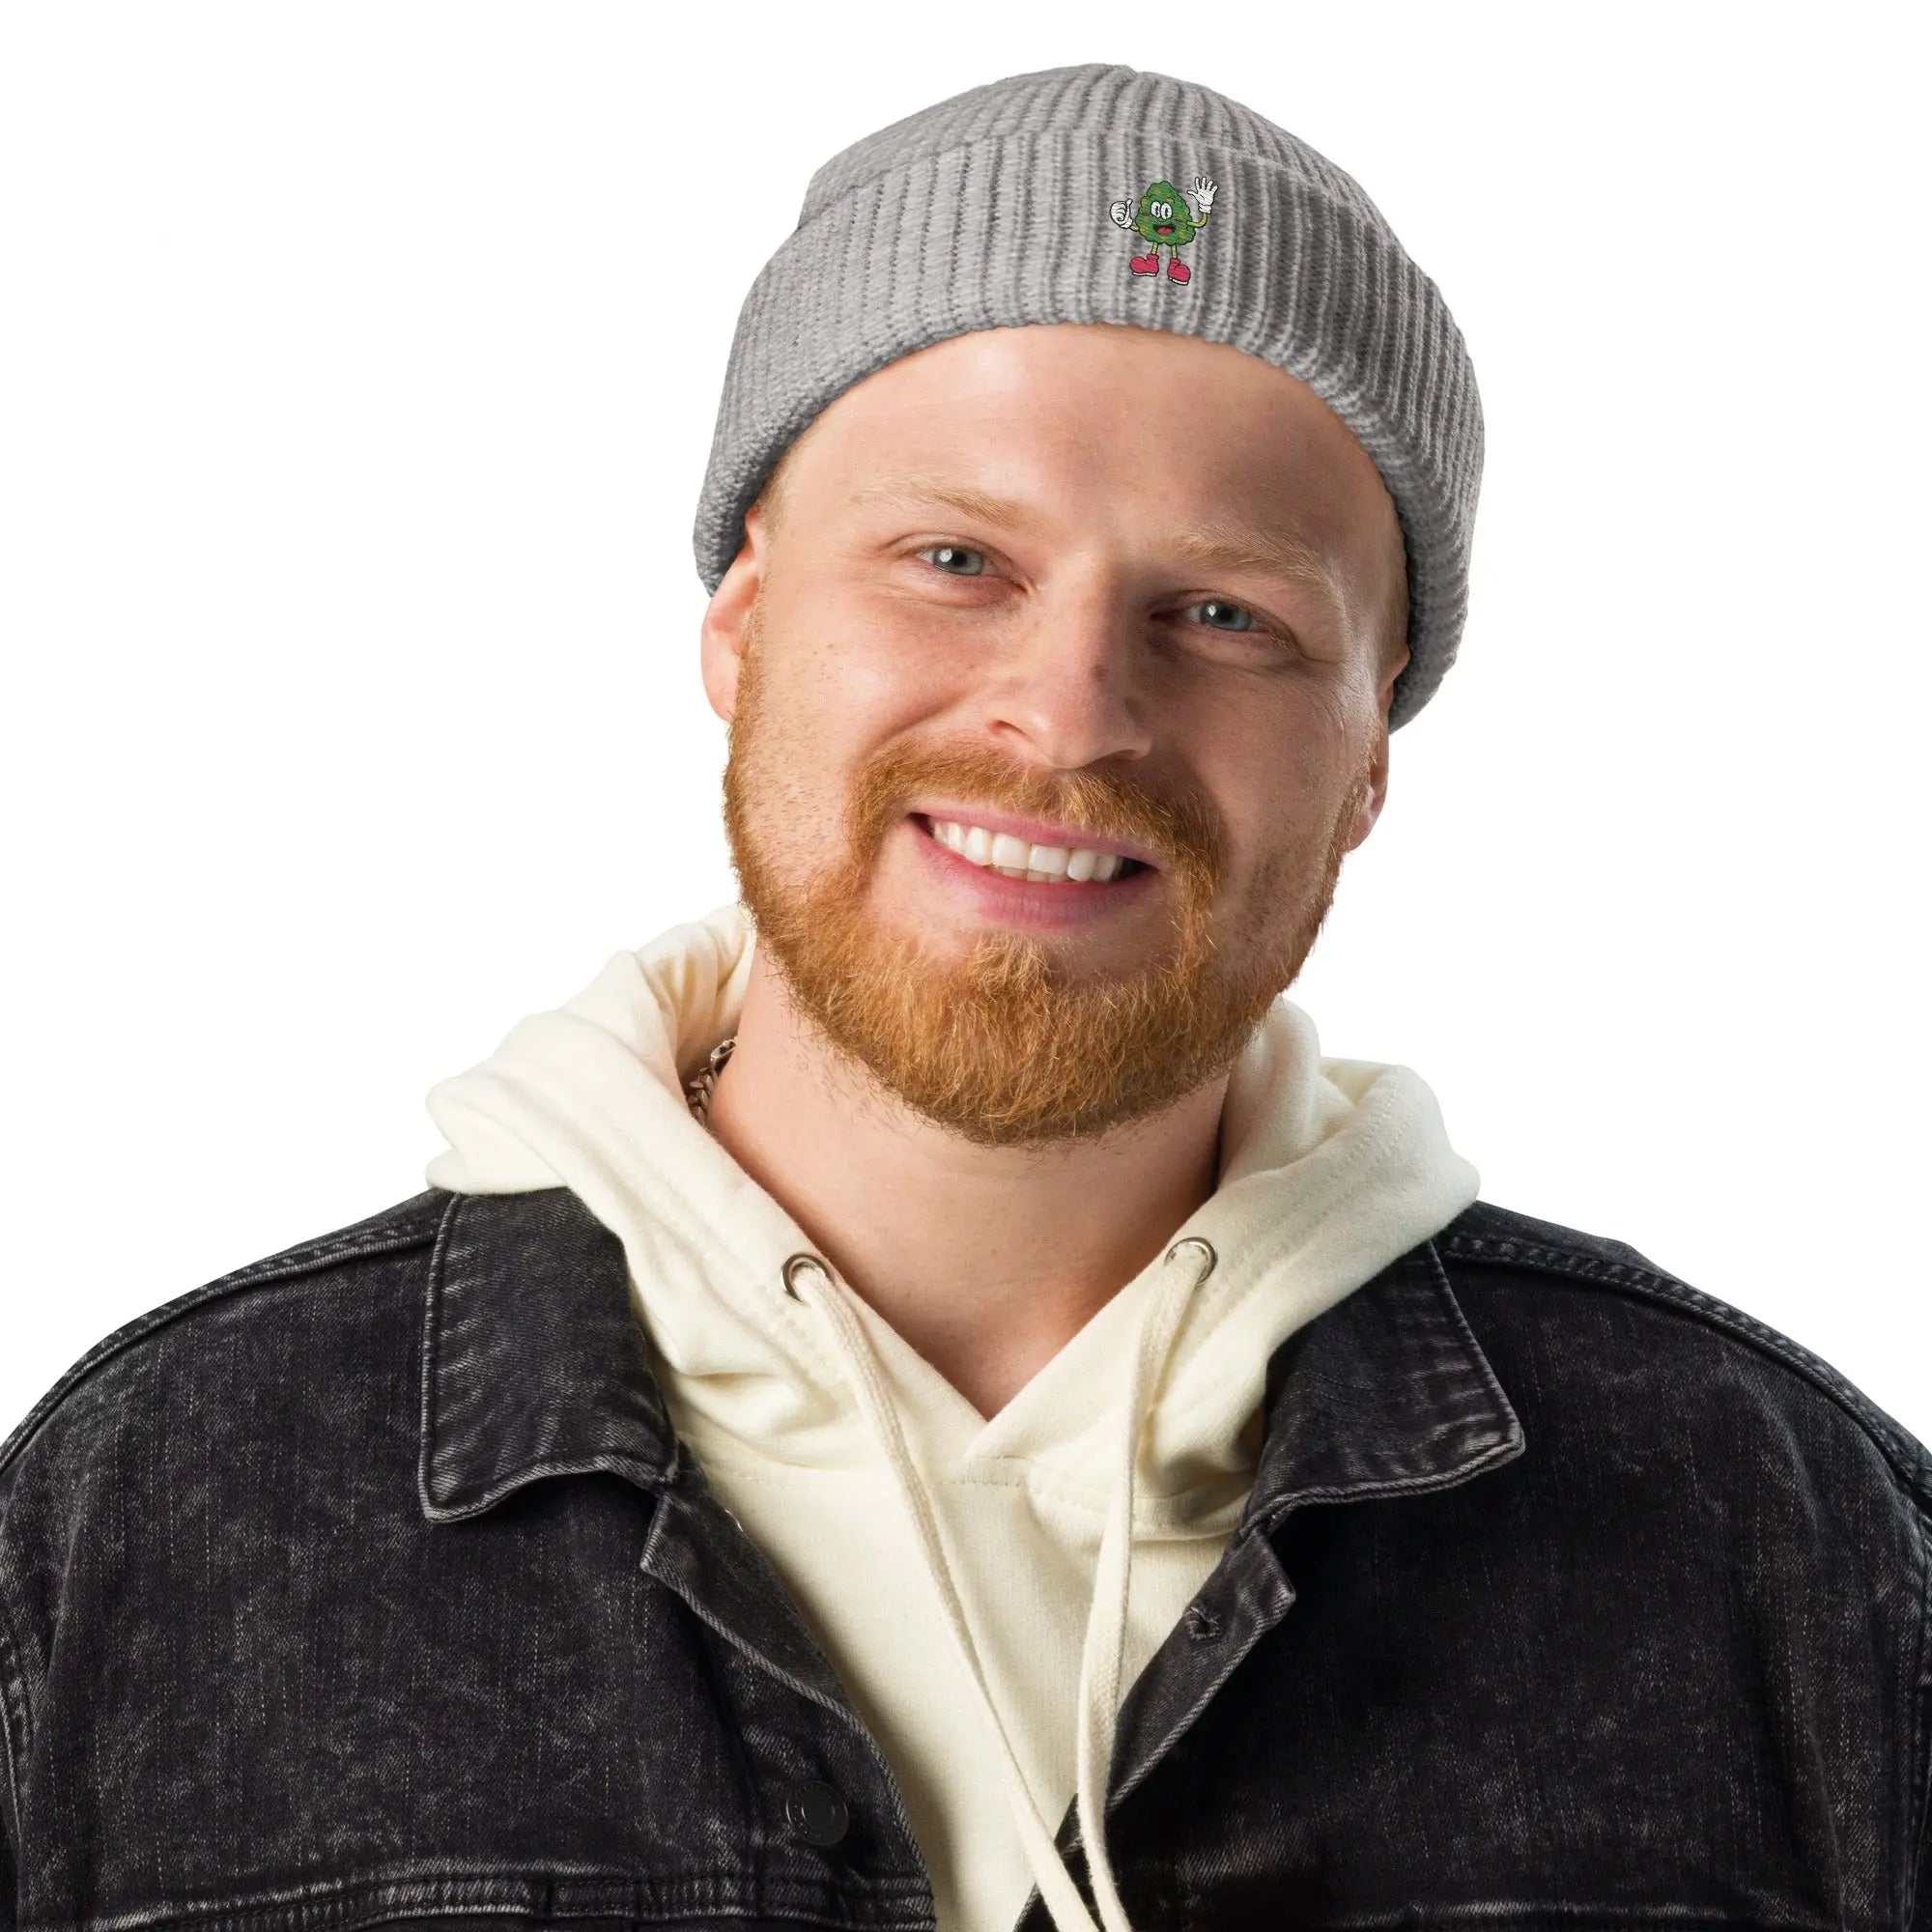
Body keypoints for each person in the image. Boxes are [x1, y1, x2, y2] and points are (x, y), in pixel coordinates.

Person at [1, 61, 1925, 1932]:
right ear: (743, 628)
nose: (1070, 714)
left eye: (1227, 614)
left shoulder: (1790, 1543)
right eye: (953, 561)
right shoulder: (154, 1511)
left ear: (1367, 758)